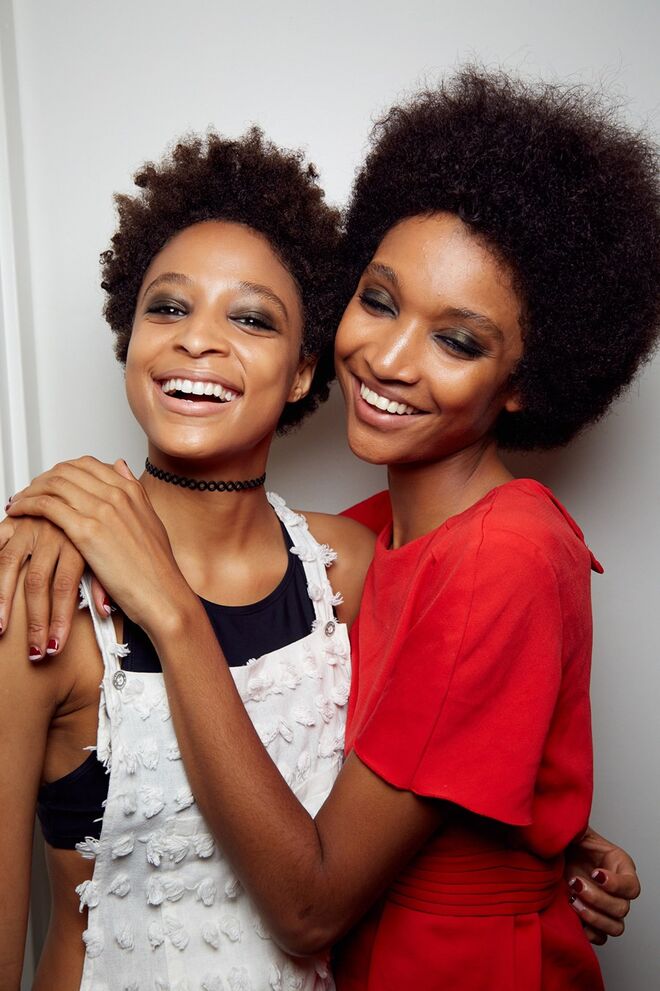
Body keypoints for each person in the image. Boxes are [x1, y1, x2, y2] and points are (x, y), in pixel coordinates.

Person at [1, 68, 652, 988]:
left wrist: (171, 610)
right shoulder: (360, 542)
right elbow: (435, 734)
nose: (388, 357)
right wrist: (58, 510)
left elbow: (316, 895)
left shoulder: (388, 562)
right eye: (379, 301)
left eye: (458, 339)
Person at [0, 128, 376, 990]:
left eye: (250, 317)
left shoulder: (346, 571)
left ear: (301, 372)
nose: (197, 340)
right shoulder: (42, 592)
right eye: (167, 308)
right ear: (129, 337)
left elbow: (418, 788)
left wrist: (544, 844)